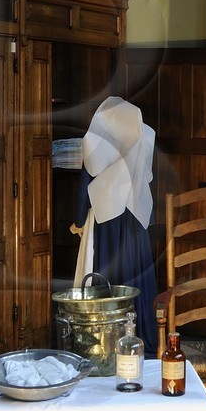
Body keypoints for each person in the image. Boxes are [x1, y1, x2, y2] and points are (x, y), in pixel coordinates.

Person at [74, 97, 159, 352]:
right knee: (137, 275)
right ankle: (141, 336)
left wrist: (78, 221)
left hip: (106, 221)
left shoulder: (96, 141)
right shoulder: (145, 136)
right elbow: (146, 178)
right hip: (135, 220)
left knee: (107, 276)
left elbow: (85, 186)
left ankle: (105, 343)